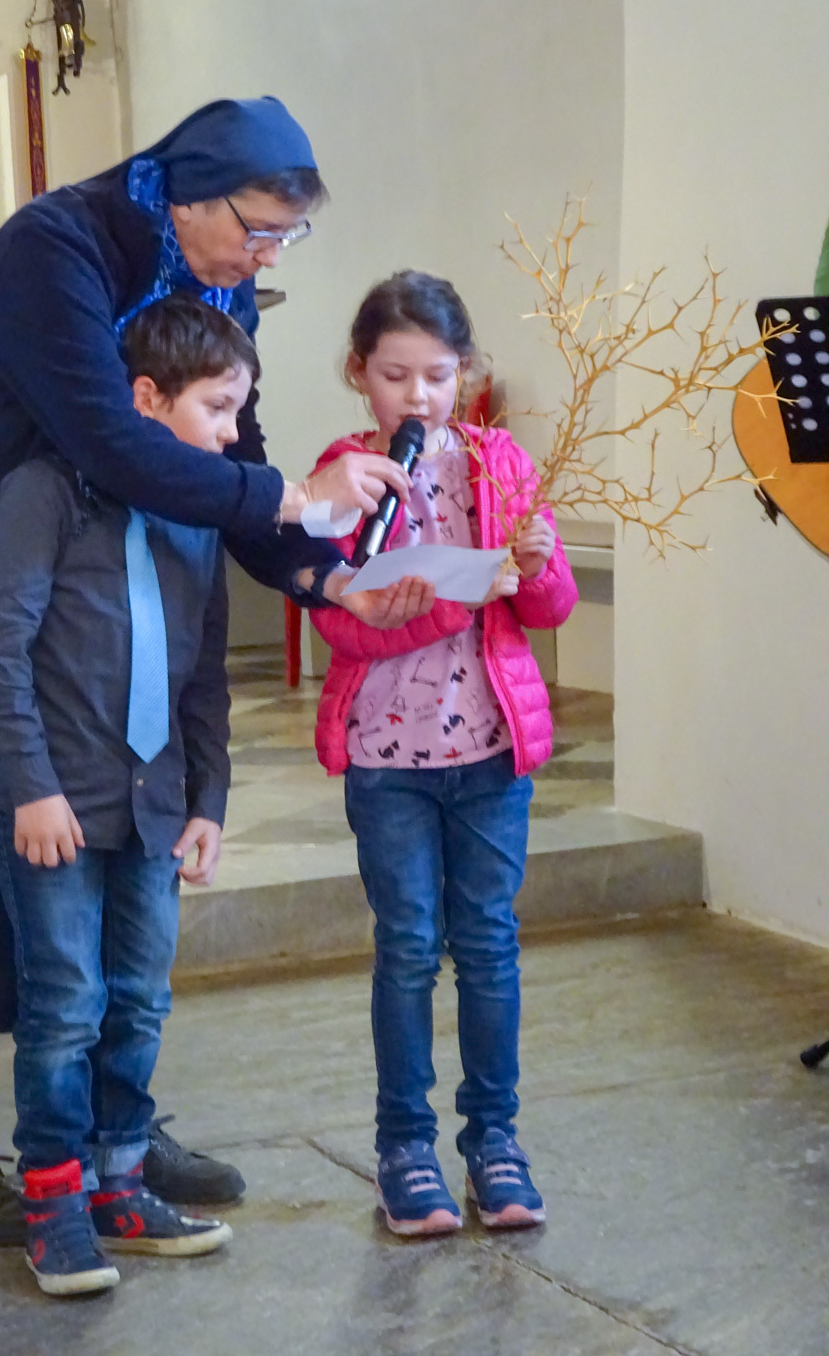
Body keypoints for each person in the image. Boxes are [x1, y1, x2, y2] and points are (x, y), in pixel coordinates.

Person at [0, 96, 432, 1245]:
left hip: (77, 595)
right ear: (189, 194)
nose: (267, 256)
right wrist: (298, 500)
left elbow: (230, 451)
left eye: (288, 237)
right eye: (257, 229)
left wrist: (326, 578)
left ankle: (107, 1141)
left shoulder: (217, 275)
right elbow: (108, 438)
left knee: (104, 867)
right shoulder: (58, 249)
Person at [0, 294, 253, 1295]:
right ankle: (54, 1203)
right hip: (56, 807)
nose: (233, 435)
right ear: (145, 399)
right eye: (218, 409)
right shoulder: (44, 493)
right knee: (64, 1006)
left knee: (138, 1001)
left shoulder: (198, 517)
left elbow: (204, 678)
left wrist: (208, 800)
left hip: (156, 808)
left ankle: (120, 1182)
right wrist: (32, 788)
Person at [308, 272, 578, 1236]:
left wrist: (536, 568)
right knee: (410, 946)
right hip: (389, 759)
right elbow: (341, 625)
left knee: (490, 944)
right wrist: (431, 608)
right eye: (395, 376)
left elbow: (549, 608)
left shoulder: (500, 464)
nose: (417, 396)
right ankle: (405, 1148)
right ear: (359, 373)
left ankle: (496, 1142)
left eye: (436, 375)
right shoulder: (344, 474)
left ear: (465, 372)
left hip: (491, 751)